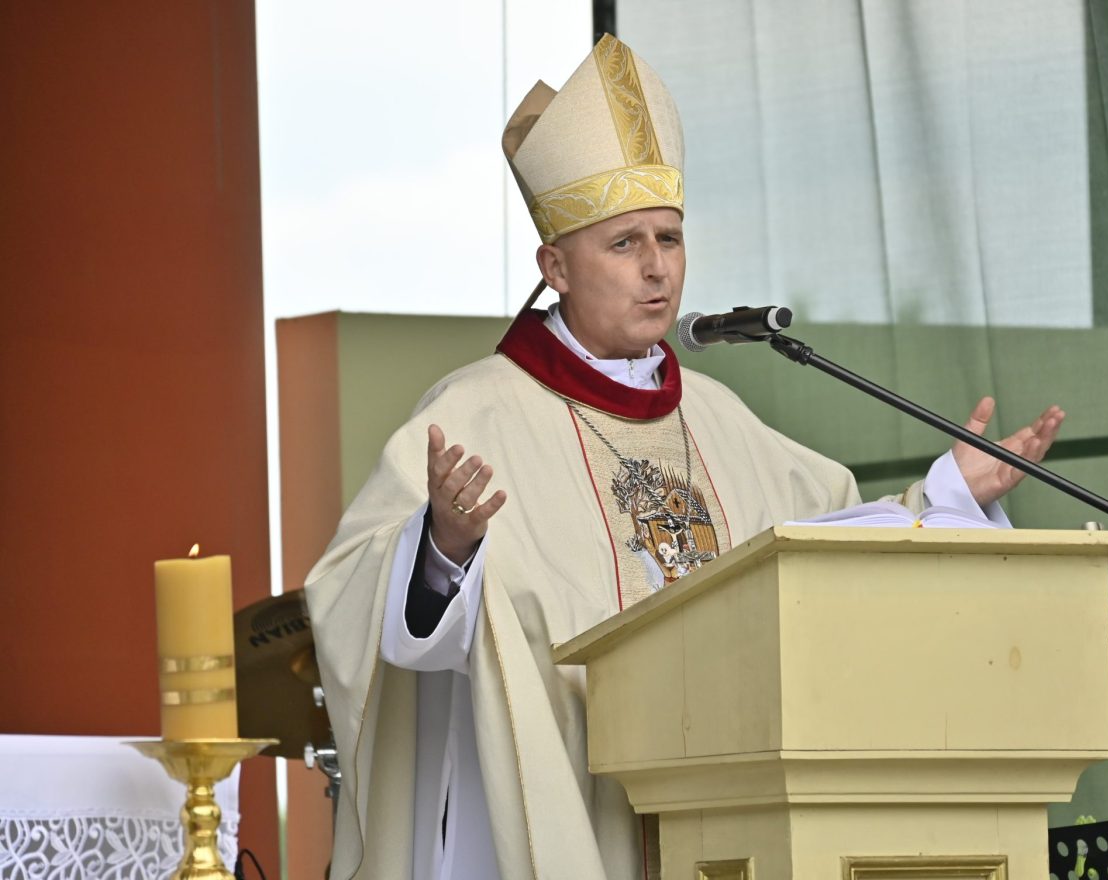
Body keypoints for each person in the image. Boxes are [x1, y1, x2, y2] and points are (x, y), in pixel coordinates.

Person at [305, 34, 1063, 880]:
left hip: (734, 829)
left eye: (669, 238)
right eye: (624, 244)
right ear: (555, 266)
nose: (657, 269)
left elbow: (835, 546)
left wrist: (954, 491)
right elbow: (347, 592)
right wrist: (443, 547)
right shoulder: (473, 415)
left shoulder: (720, 419)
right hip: (574, 817)